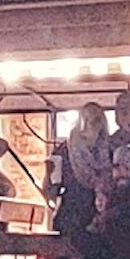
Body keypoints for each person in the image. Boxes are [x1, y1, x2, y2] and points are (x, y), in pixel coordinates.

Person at [52, 102, 111, 245]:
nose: (92, 124)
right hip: (73, 216)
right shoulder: (64, 150)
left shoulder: (109, 149)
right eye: (87, 119)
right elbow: (52, 184)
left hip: (103, 217)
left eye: (96, 120)